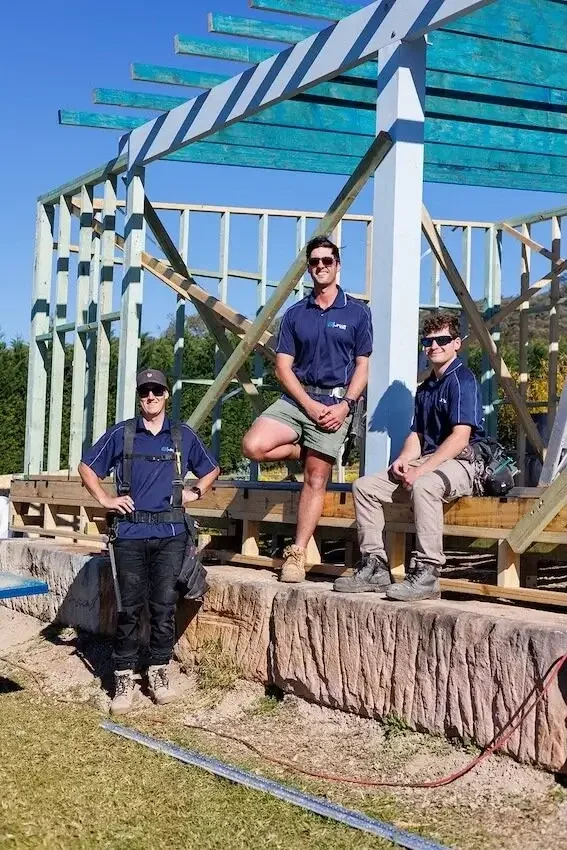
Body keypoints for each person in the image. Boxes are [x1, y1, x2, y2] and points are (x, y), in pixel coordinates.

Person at [79, 368, 219, 714]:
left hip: (171, 536)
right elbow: (87, 467)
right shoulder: (123, 434)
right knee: (129, 609)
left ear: (167, 395)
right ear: (139, 397)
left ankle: (158, 671)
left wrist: (196, 492)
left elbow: (211, 468)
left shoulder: (182, 434)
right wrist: (105, 499)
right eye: (145, 392)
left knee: (164, 607)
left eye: (157, 391)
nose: (151, 397)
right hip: (129, 534)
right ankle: (123, 678)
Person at [242, 236, 373, 583]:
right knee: (253, 446)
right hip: (299, 400)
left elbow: (363, 365)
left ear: (337, 265)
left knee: (316, 479)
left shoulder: (357, 312)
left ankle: (296, 555)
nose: (320, 266)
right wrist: (308, 404)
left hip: (336, 403)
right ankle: (304, 449)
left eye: (327, 260)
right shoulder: (295, 314)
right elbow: (283, 367)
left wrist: (346, 406)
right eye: (314, 262)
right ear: (308, 268)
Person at [334, 312, 485, 601]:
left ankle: (428, 572)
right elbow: (417, 435)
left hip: (464, 462)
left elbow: (459, 438)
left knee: (424, 485)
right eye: (428, 342)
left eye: (442, 340)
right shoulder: (426, 388)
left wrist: (421, 470)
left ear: (456, 343)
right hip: (431, 460)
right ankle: (375, 566)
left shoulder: (462, 380)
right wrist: (404, 459)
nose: (434, 346)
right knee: (364, 487)